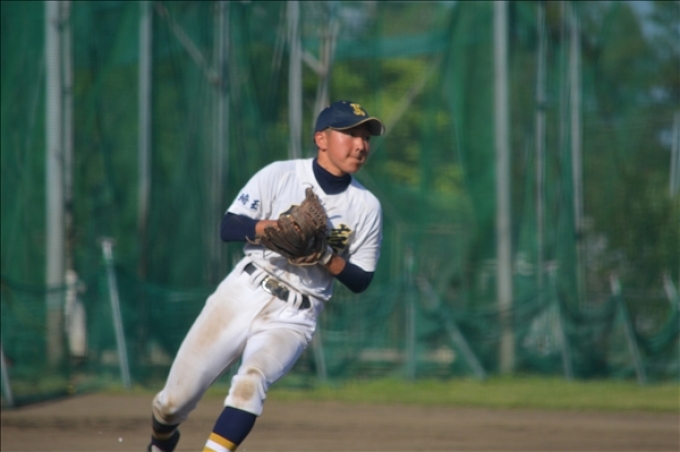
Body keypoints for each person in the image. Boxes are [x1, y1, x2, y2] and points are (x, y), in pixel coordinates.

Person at [147, 100, 385, 452]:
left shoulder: (366, 206)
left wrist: (323, 255)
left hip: (296, 315)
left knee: (250, 383)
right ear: (321, 138)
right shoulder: (280, 174)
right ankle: (162, 440)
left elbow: (361, 279)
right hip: (243, 291)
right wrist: (273, 228)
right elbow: (229, 226)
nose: (361, 145)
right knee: (171, 404)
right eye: (351, 134)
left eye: (366, 137)